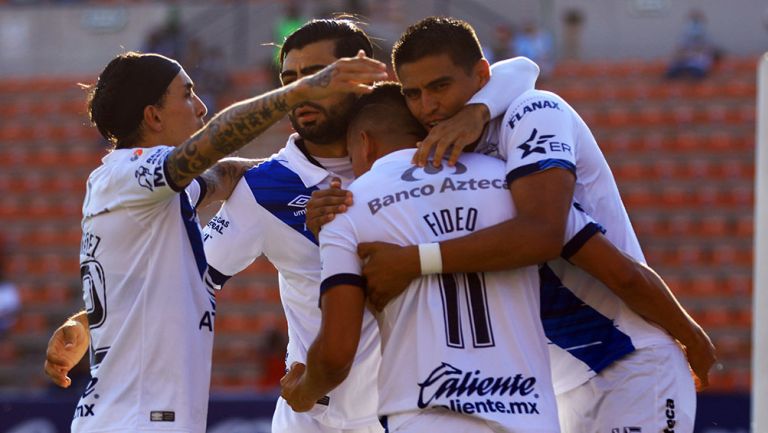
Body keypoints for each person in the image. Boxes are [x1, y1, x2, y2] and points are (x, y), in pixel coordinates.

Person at [308, 16, 715, 433]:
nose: (427, 105)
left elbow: (546, 234)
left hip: (630, 361)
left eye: (440, 86)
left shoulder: (532, 111)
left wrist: (692, 337)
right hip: (559, 387)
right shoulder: (464, 157)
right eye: (413, 93)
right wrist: (330, 207)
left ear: (481, 75)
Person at [43, 49, 388, 433]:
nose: (202, 107)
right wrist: (304, 90)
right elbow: (216, 143)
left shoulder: (144, 191)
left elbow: (222, 175)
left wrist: (322, 170)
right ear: (153, 116)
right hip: (136, 421)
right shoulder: (130, 174)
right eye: (187, 94)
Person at [281, 82, 563, 433]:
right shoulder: (510, 181)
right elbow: (600, 260)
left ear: (365, 144)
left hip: (427, 418)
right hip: (530, 416)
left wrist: (305, 391)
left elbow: (337, 354)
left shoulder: (346, 207)